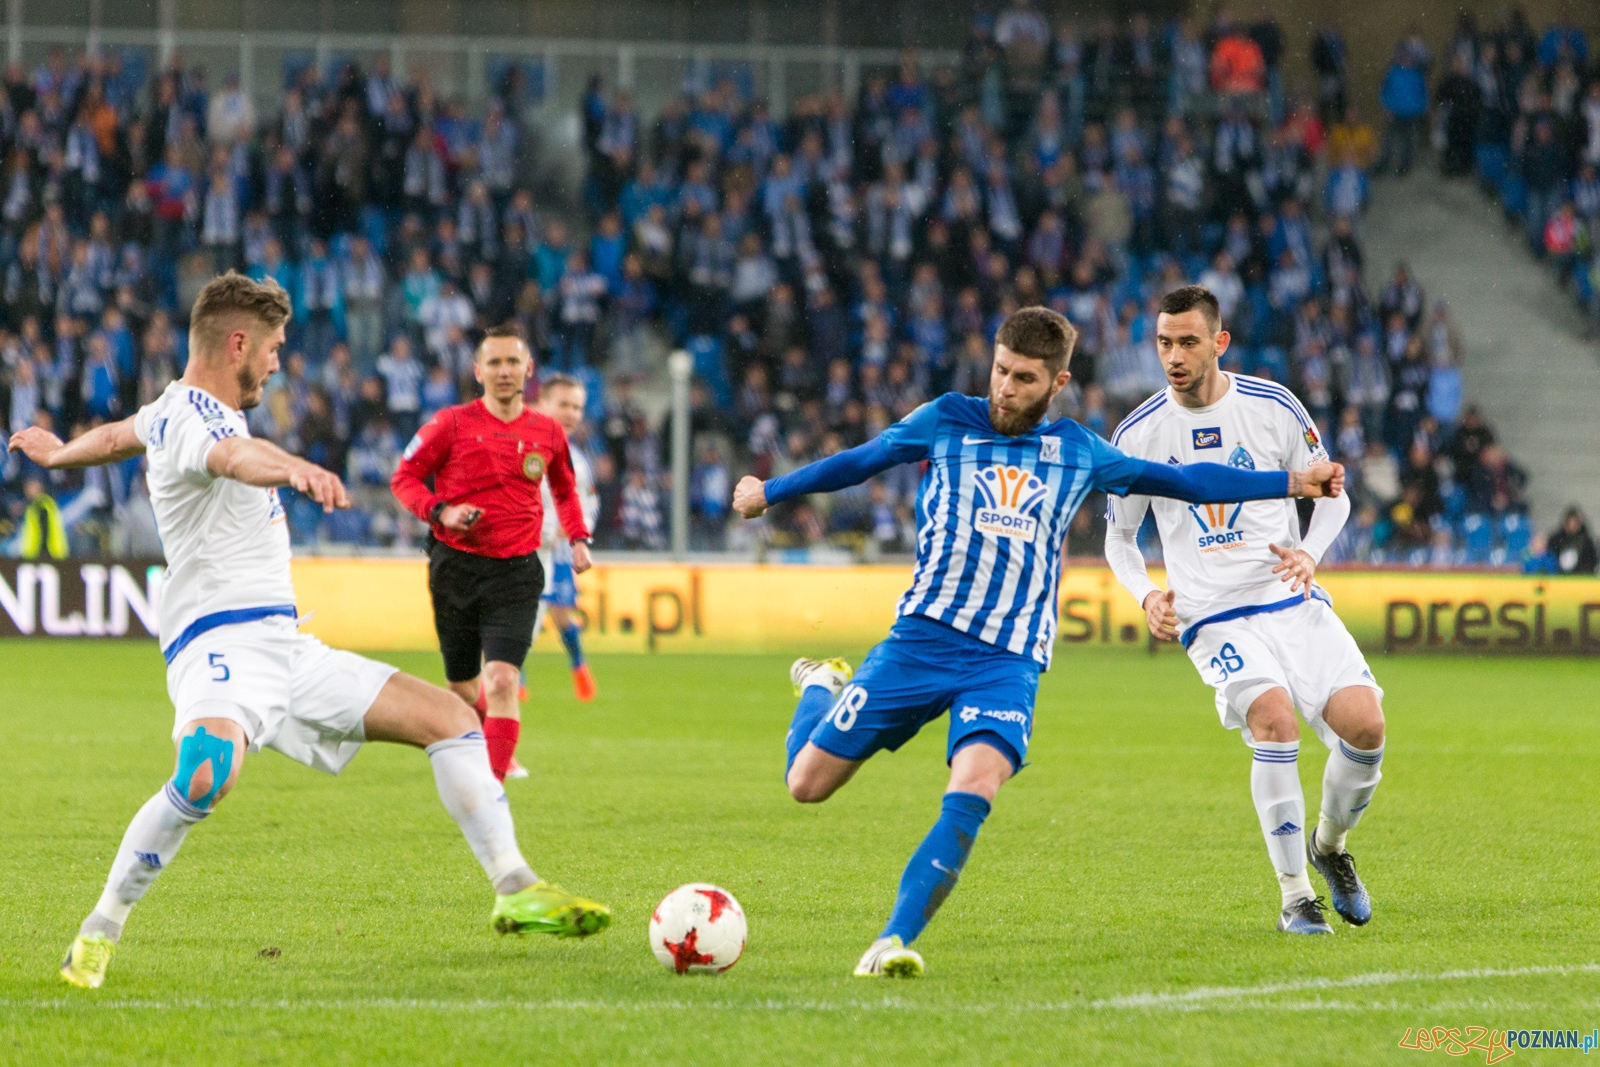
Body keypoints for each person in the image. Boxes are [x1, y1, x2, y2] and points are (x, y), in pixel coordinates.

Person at [10, 275, 609, 991]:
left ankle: (515, 885)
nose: (277, 363)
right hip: (218, 643)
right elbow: (236, 460)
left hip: (286, 646)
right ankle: (99, 929)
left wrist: (59, 453)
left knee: (453, 718)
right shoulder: (202, 422)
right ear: (238, 343)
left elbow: (118, 435)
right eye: (272, 349)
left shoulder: (172, 410)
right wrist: (294, 467)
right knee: (205, 771)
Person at [731, 307, 1345, 978]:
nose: (1005, 389)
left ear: (1057, 383)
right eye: (1000, 372)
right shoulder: (945, 420)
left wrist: (1290, 481)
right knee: (806, 784)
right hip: (921, 641)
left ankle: (892, 941)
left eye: (1024, 378)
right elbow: (861, 461)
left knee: (976, 782)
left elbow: (1189, 482)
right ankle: (822, 683)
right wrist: (771, 490)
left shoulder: (1079, 450)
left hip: (1007, 663)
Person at [1104, 285, 1387, 937]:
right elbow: (1120, 536)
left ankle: (1329, 847)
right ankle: (1295, 896)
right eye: (1163, 342)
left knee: (1366, 727)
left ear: (1219, 341)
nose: (1173, 355)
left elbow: (1332, 493)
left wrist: (1311, 553)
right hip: (1211, 613)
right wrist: (1146, 593)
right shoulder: (1139, 432)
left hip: (1290, 595)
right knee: (1273, 718)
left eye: (1187, 341)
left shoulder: (1272, 405)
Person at [391, 326, 593, 784]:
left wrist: (578, 537)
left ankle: (492, 789)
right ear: (478, 371)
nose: (505, 371)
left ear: (529, 370)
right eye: (495, 363)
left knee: (502, 680)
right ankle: (486, 743)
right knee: (463, 687)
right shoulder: (450, 424)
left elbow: (563, 487)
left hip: (519, 571)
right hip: (456, 567)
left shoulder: (547, 432)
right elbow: (403, 479)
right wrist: (440, 511)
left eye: (513, 362)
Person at [532, 374, 600, 702]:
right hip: (520, 550)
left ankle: (578, 666)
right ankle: (510, 684)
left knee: (558, 611)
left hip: (555, 550)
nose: (572, 413)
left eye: (577, 407)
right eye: (564, 405)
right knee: (516, 623)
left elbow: (588, 502)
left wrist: (578, 532)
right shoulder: (522, 445)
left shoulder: (578, 460)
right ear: (543, 404)